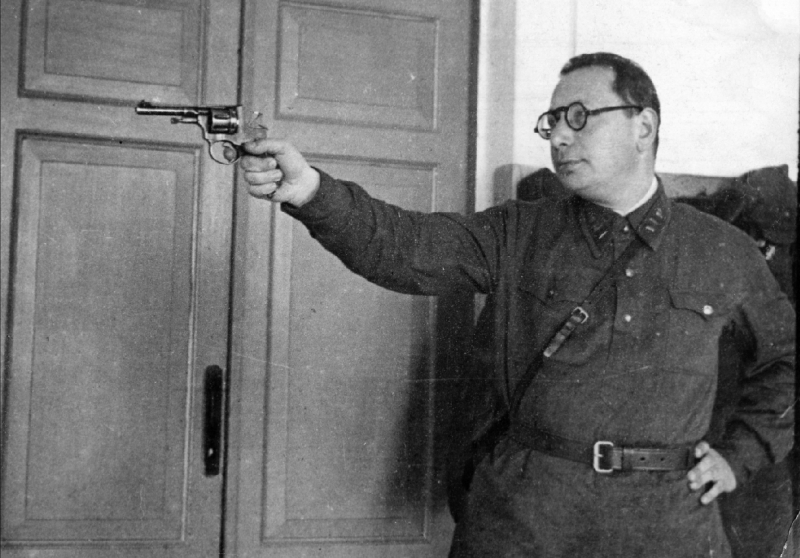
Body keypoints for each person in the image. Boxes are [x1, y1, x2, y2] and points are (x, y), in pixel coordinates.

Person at [238, 52, 796, 557]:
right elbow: (405, 247)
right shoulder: (519, 231)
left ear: (643, 126)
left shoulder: (723, 250)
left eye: (579, 116)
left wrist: (741, 454)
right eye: (552, 121)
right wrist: (311, 191)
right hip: (528, 514)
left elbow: (788, 360)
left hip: (668, 520)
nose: (559, 137)